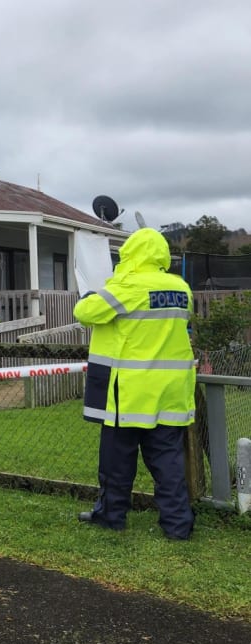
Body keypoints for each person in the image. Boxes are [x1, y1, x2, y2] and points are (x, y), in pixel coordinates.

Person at [73, 227, 196, 540]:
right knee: (168, 462)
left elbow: (85, 312)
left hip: (128, 395)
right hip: (171, 392)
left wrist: (92, 293)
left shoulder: (126, 286)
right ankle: (178, 525)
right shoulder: (181, 288)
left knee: (117, 463)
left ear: (129, 253)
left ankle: (111, 516)